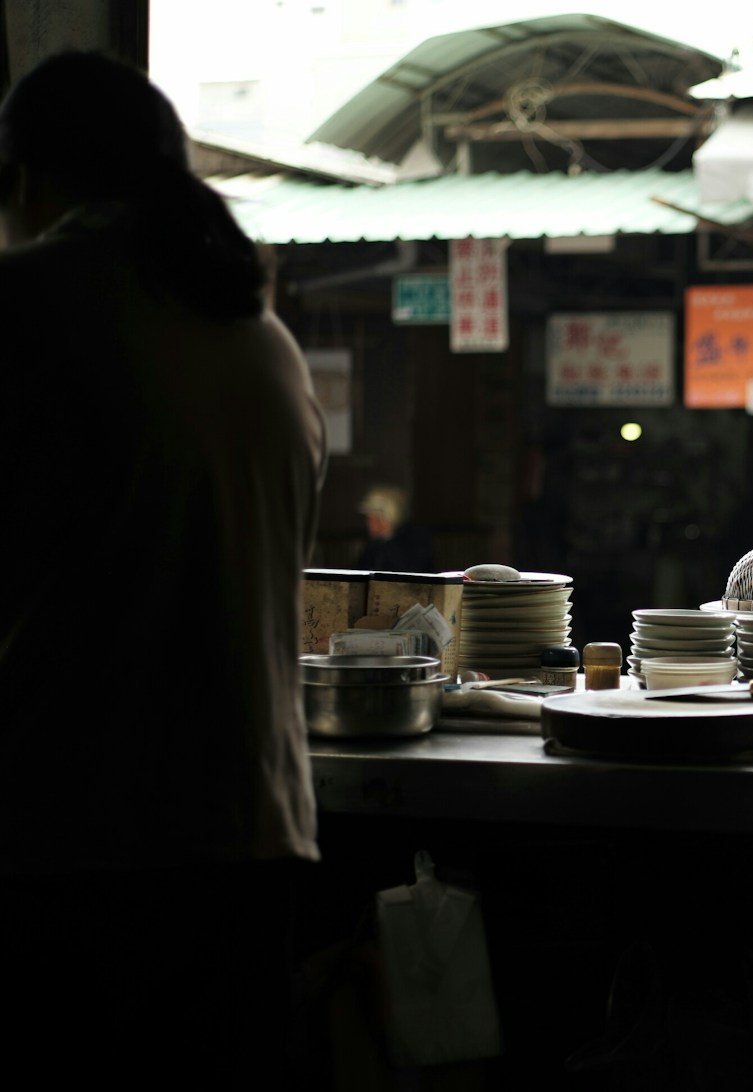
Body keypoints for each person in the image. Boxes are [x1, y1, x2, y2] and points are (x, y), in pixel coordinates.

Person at [0, 53, 326, 1085]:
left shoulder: (34, 302)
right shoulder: (257, 330)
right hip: (252, 840)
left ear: (27, 179)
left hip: (78, 844)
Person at [356, 482, 436, 572]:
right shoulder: (372, 547)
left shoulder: (414, 542)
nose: (368, 523)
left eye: (372, 518)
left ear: (384, 517)